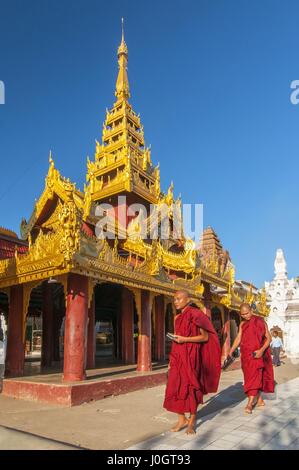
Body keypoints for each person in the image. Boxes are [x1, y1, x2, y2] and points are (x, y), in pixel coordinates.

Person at [163, 290, 221, 434]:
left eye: (178, 299)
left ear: (187, 299)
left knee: (191, 388)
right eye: (174, 299)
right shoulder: (177, 318)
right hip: (178, 356)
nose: (175, 301)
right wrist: (171, 358)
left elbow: (205, 337)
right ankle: (182, 419)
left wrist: (185, 339)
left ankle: (192, 421)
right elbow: (178, 339)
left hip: (191, 356)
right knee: (174, 386)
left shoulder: (196, 314)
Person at [228, 303, 275, 414]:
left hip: (256, 355)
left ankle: (249, 404)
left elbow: (269, 338)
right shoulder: (243, 324)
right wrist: (230, 350)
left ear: (251, 311)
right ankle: (259, 400)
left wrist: (261, 351)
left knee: (254, 378)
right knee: (249, 378)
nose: (245, 316)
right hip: (246, 356)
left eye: (247, 313)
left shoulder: (260, 322)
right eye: (243, 314)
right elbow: (239, 338)